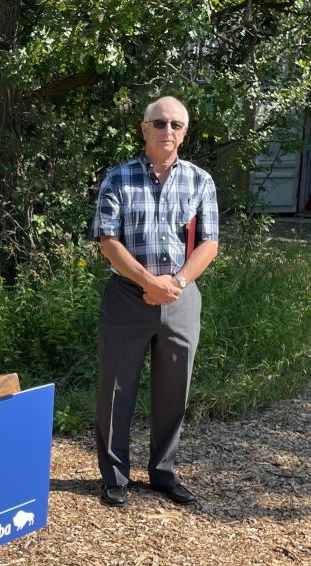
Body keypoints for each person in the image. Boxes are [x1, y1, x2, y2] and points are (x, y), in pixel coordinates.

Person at [91, 96, 219, 507]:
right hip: (128, 295)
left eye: (176, 124)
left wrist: (175, 283)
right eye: (160, 123)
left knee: (174, 389)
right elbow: (107, 240)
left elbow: (210, 243)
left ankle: (163, 471)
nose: (168, 131)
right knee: (115, 388)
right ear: (144, 129)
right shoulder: (118, 178)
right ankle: (114, 475)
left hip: (181, 297)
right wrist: (148, 281)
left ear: (185, 132)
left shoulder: (200, 180)